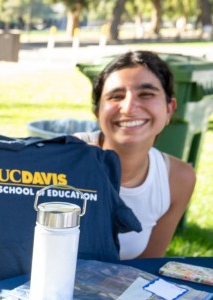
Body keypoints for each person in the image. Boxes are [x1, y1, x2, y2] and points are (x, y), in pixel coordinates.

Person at [75, 50, 196, 259]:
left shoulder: (178, 178)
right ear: (97, 112)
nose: (129, 108)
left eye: (146, 94)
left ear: (170, 109)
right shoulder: (65, 158)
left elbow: (147, 269)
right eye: (116, 96)